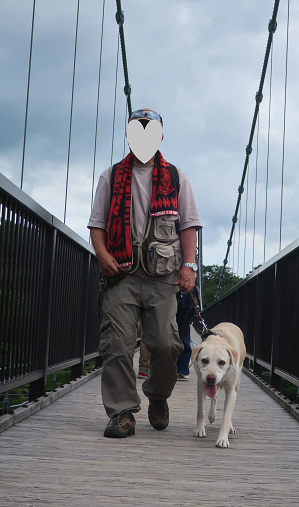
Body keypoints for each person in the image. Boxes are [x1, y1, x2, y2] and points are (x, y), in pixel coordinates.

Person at [88, 108, 202, 438]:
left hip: (163, 277)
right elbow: (96, 225)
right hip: (121, 276)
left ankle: (158, 396)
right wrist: (103, 254)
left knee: (168, 344)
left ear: (161, 137)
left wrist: (189, 266)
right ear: (128, 136)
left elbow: (188, 226)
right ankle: (122, 412)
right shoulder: (111, 176)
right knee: (117, 345)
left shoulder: (177, 177)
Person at [176, 286, 200, 380]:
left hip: (185, 289)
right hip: (168, 284)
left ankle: (182, 369)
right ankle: (180, 368)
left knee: (184, 331)